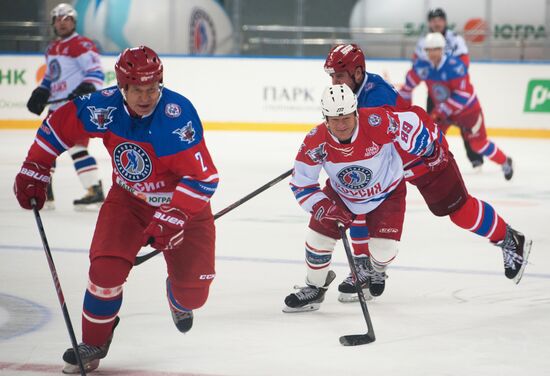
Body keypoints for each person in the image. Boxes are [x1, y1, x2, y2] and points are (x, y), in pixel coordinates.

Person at [14, 46, 218, 373]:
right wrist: (36, 166)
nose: (146, 96)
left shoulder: (176, 117)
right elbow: (58, 126)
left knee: (193, 294)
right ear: (123, 87)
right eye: (137, 89)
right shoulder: (103, 106)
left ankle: (177, 297)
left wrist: (172, 216)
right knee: (105, 271)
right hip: (128, 202)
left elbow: (204, 178)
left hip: (184, 207)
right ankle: (94, 341)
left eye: (152, 88)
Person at [323, 44, 531, 303]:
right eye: (331, 76)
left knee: (459, 211)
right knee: (359, 198)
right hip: (392, 165)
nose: (334, 82)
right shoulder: (352, 93)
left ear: (356, 73)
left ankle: (509, 238)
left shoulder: (375, 97)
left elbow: (371, 135)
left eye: (338, 76)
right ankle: (366, 269)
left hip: (425, 158)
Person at [283, 84, 443, 312]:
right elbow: (301, 184)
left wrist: (429, 149)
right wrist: (323, 207)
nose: (341, 125)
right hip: (341, 194)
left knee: (384, 251)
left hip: (387, 191)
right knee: (318, 238)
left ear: (356, 112)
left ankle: (377, 269)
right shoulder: (315, 141)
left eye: (346, 118)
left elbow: (413, 121)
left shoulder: (377, 121)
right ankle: (315, 288)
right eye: (334, 119)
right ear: (325, 118)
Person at [400, 32, 514, 180]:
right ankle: (426, 172)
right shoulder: (423, 66)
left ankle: (505, 161)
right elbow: (407, 89)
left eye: (435, 49)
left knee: (478, 145)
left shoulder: (455, 66)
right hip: (445, 113)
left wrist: (441, 110)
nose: (431, 53)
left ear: (442, 49)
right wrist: (403, 110)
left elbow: (463, 95)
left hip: (468, 112)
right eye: (428, 50)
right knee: (430, 139)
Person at [26, 3, 105, 210]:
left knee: (77, 148)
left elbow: (96, 73)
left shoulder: (82, 44)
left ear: (74, 22)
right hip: (56, 109)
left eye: (67, 19)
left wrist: (86, 89)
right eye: (58, 19)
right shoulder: (52, 48)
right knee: (46, 148)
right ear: (53, 23)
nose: (62, 23)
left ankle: (94, 189)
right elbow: (51, 77)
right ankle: (46, 189)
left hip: (75, 108)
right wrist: (41, 92)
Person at [413, 7, 484, 169]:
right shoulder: (423, 41)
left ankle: (475, 157)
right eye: (433, 20)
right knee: (432, 123)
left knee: (466, 123)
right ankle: (432, 155)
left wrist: (453, 78)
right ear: (429, 23)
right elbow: (417, 64)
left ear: (444, 21)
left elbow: (464, 61)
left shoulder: (455, 39)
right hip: (435, 91)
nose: (436, 23)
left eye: (439, 19)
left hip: (454, 88)